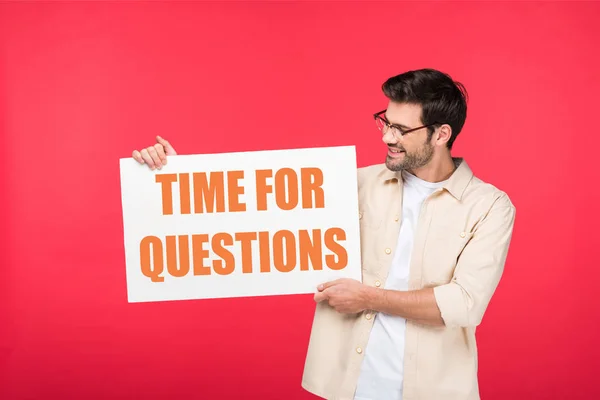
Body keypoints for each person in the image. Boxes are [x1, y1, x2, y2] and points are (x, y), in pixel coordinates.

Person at [131, 68, 516, 400]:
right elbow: (254, 219)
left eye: (401, 129)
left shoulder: (490, 206)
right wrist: (177, 181)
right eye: (384, 121)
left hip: (435, 390)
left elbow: (464, 304)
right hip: (347, 385)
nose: (386, 137)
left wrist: (368, 297)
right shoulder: (353, 183)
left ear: (440, 134)